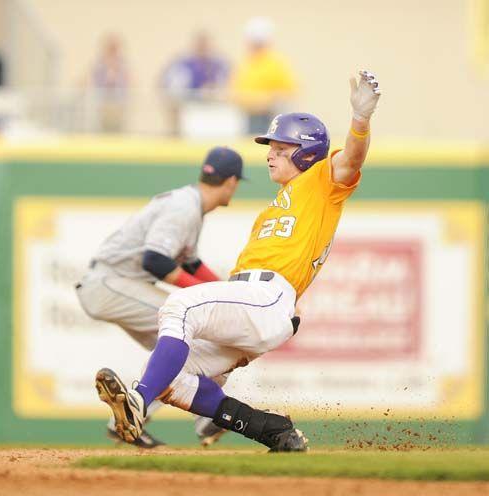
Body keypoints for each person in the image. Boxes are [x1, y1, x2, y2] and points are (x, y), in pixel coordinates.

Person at [95, 70, 382, 451]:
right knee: (168, 377)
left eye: (281, 148)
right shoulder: (276, 206)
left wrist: (360, 120)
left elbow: (351, 159)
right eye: (271, 148)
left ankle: (136, 404)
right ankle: (273, 431)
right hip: (254, 301)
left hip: (266, 297)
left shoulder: (320, 183)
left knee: (178, 307)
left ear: (306, 152)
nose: (269, 154)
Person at [76, 146, 246, 447]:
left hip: (116, 284)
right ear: (231, 181)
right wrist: (207, 296)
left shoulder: (190, 204)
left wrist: (225, 291)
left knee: (176, 354)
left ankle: (130, 420)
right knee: (190, 335)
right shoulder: (184, 207)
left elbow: (190, 263)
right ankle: (204, 417)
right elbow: (154, 260)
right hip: (109, 283)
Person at [230, 17, 297, 134]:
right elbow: (236, 90)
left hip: (269, 117)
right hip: (247, 116)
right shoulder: (247, 63)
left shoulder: (275, 63)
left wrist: (265, 101)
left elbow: (287, 92)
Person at [160, 32, 229, 135]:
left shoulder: (218, 65)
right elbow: (172, 88)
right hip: (189, 110)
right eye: (200, 45)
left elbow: (228, 86)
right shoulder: (183, 64)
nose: (203, 48)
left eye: (205, 45)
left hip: (213, 113)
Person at [89, 34, 129, 133]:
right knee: (103, 126)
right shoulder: (100, 63)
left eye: (115, 47)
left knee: (117, 127)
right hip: (103, 101)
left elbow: (129, 80)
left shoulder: (122, 63)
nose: (113, 50)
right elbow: (91, 77)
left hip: (118, 102)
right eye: (111, 47)